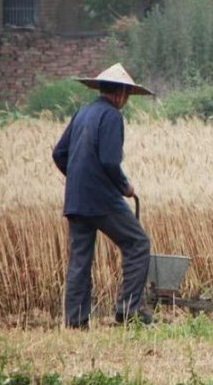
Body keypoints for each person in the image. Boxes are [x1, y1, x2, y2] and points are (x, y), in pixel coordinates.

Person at [52, 63, 154, 329]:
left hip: (76, 198)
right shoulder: (111, 116)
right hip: (102, 199)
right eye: (127, 95)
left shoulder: (82, 113)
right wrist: (125, 187)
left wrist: (78, 177)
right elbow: (109, 161)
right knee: (138, 243)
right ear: (120, 93)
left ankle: (75, 322)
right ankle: (127, 310)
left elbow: (58, 154)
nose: (126, 100)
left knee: (79, 261)